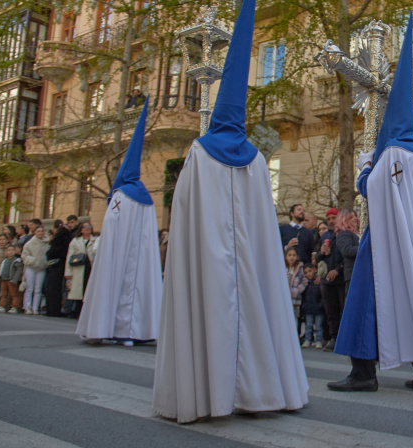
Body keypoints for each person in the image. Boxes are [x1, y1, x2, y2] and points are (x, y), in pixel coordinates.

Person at [153, 0, 308, 423]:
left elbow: (183, 213)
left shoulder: (200, 153)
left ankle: (210, 393)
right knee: (256, 306)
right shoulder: (256, 159)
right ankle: (262, 390)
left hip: (209, 261)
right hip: (252, 269)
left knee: (212, 308)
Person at [329, 18, 413, 393]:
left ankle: (363, 372)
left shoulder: (391, 151)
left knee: (362, 299)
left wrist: (364, 166)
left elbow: (372, 190)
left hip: (384, 239)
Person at [77, 98, 163, 346]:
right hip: (139, 257)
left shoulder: (120, 196)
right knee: (135, 286)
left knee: (115, 283)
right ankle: (136, 330)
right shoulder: (146, 199)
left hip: (118, 254)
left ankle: (110, 327)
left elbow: (112, 227)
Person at [317, 208, 345, 351]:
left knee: (343, 309)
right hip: (327, 281)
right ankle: (333, 338)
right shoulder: (324, 236)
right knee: (331, 312)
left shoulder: (345, 233)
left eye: (334, 218)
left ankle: (344, 338)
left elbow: (348, 257)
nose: (331, 221)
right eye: (328, 219)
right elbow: (317, 258)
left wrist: (337, 270)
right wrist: (321, 254)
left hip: (341, 279)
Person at [64, 223, 97, 318]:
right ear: (81, 229)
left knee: (88, 289)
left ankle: (86, 311)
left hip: (90, 267)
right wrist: (68, 272)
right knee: (78, 290)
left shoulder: (95, 240)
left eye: (89, 227)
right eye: (85, 227)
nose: (88, 229)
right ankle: (77, 310)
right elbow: (69, 256)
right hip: (78, 267)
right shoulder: (75, 241)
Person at [46, 219, 73, 316]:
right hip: (62, 264)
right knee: (58, 289)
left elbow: (51, 252)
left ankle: (51, 309)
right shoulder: (68, 239)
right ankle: (56, 309)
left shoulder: (57, 239)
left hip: (56, 265)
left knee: (52, 288)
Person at [21, 226, 49, 315]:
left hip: (41, 268)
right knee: (29, 288)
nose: (40, 233)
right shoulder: (29, 244)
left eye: (42, 231)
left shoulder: (46, 243)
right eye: (38, 231)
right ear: (35, 232)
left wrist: (45, 262)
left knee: (38, 289)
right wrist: (32, 260)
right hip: (31, 267)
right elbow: (24, 255)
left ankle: (35, 307)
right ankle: (27, 307)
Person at [301, 263, 325, 349]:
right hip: (308, 307)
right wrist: (304, 305)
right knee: (309, 325)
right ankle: (308, 339)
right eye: (306, 272)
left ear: (315, 270)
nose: (308, 274)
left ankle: (318, 340)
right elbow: (303, 296)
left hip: (318, 308)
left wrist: (321, 304)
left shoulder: (319, 282)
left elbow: (323, 295)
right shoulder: (305, 283)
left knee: (318, 325)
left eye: (310, 271)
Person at [0, 244, 23, 314]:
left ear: (15, 251)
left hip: (11, 280)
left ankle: (14, 306)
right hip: (4, 279)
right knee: (4, 294)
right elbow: (2, 269)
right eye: (9, 250)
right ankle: (2, 306)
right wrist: (0, 276)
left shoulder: (17, 260)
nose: (10, 252)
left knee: (14, 294)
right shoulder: (5, 260)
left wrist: (15, 280)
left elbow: (18, 271)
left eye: (12, 250)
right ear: (6, 252)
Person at [285, 247, 307, 332]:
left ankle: (294, 334)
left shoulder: (299, 268)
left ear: (297, 257)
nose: (291, 257)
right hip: (284, 298)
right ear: (285, 257)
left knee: (294, 317)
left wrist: (298, 290)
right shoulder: (283, 268)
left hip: (295, 298)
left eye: (294, 255)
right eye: (289, 255)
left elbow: (304, 281)